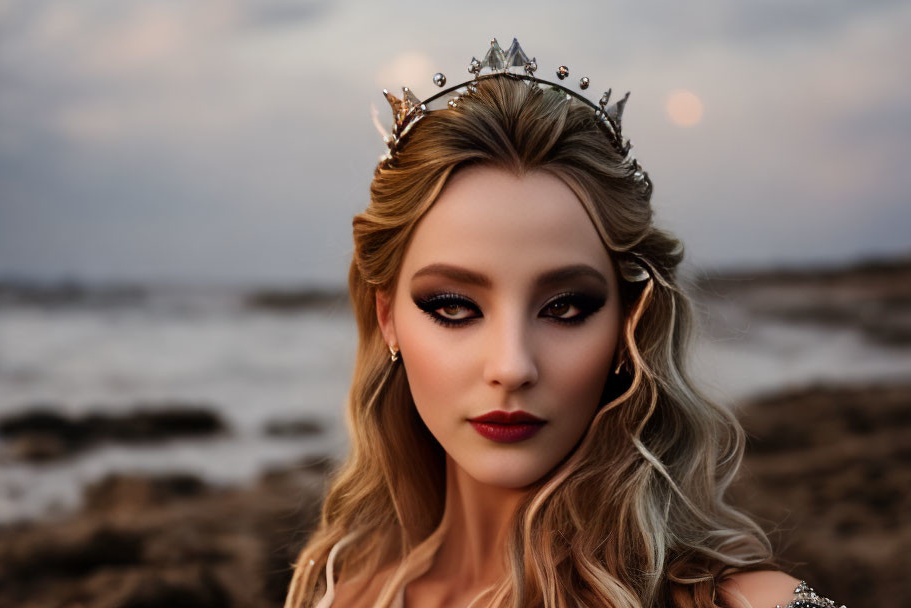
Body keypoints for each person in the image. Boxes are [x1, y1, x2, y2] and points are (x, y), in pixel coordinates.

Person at [284, 39, 845, 608]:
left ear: (630, 323)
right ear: (388, 319)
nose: (511, 366)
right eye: (454, 306)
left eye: (565, 308)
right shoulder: (337, 595)